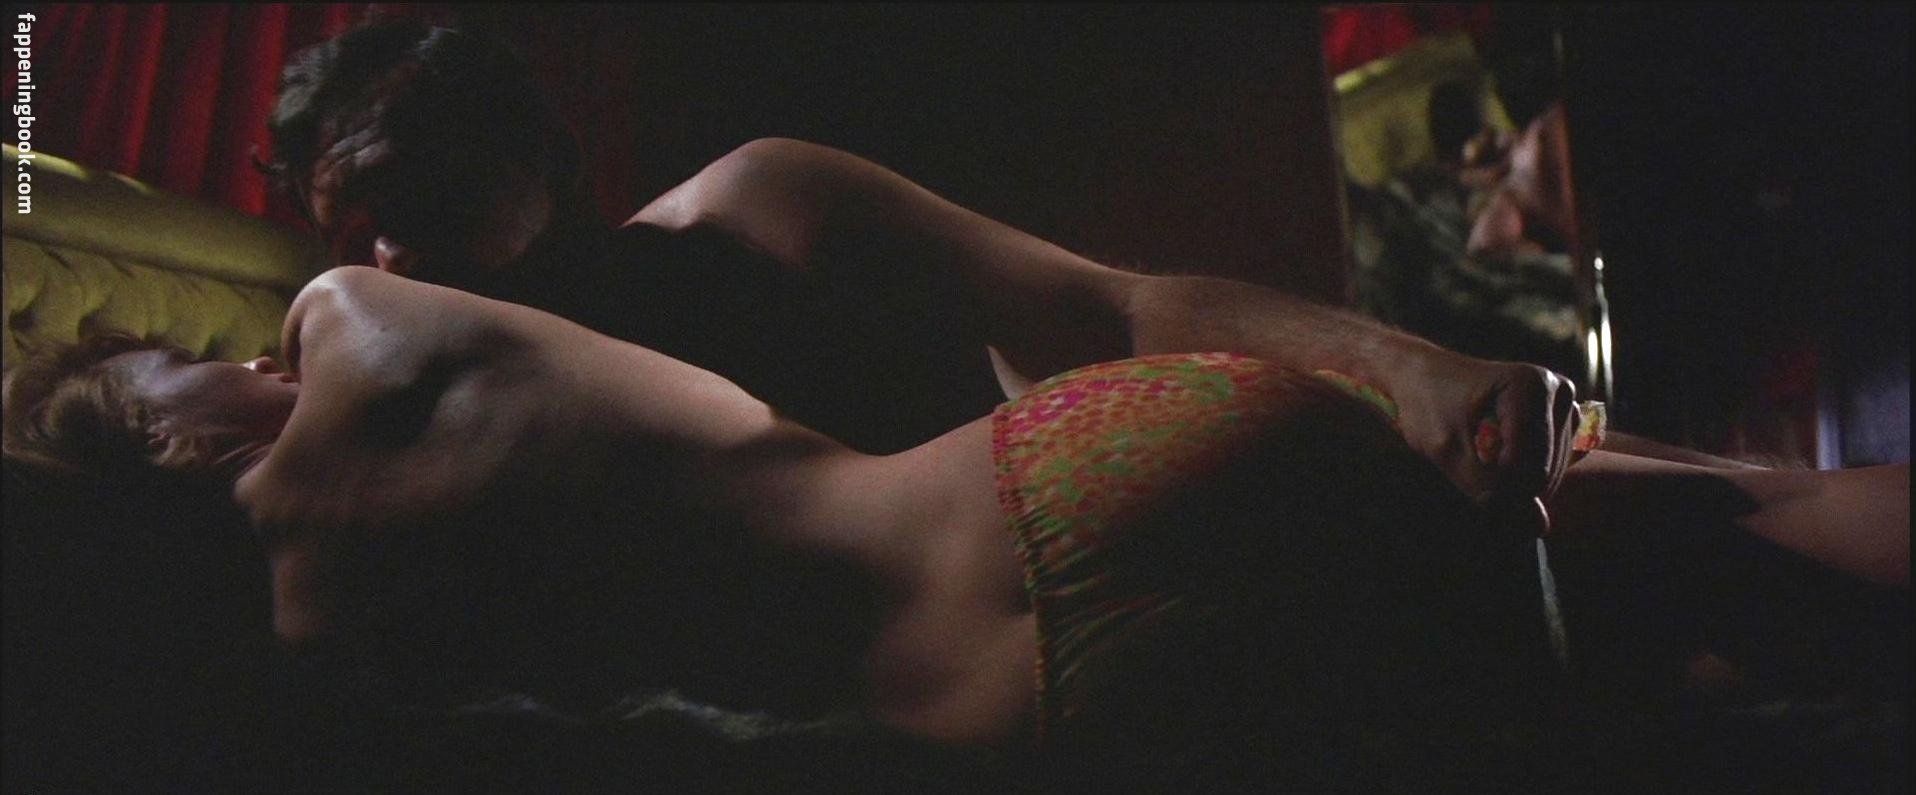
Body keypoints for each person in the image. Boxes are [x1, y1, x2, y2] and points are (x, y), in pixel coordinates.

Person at [5, 267, 1906, 790]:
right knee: (1752, 542)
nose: (240, 356)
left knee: (1666, 736)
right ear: (158, 443)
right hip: (1035, 492)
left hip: (1019, 730)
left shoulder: (312, 666)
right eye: (189, 364)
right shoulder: (350, 319)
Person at [259, 19, 1583, 532]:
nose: (394, 261)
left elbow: (1105, 309)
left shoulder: (749, 216)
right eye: (354, 236)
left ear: (550, 156)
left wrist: (1410, 369)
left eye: (424, 199)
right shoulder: (379, 442)